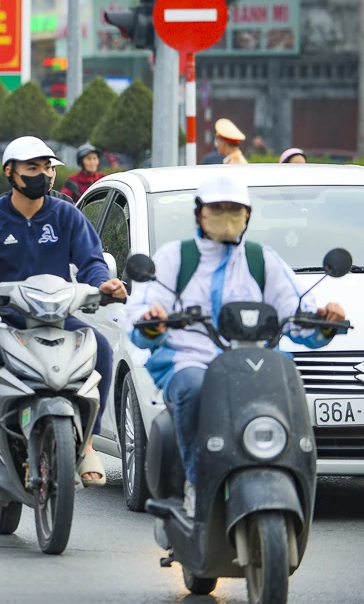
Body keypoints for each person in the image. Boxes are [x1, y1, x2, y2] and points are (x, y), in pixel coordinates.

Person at [127, 176, 345, 516]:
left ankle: (288, 479)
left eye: (235, 209)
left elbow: (298, 313)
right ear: (200, 213)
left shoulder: (262, 260)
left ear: (248, 216)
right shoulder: (175, 257)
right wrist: (152, 318)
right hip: (188, 359)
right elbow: (141, 314)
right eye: (218, 208)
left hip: (254, 362)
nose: (227, 215)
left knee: (287, 392)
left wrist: (325, 320)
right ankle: (196, 484)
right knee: (197, 389)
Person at [0, 136, 127, 486]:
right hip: (0, 322)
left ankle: (87, 444)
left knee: (102, 350)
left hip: (56, 318)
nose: (43, 175)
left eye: (47, 168)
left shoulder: (66, 215)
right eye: (32, 168)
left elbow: (91, 261)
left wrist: (102, 284)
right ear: (10, 172)